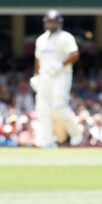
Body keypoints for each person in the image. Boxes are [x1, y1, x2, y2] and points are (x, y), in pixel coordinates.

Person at [31, 9, 84, 148]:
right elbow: (38, 60)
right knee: (42, 109)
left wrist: (61, 64)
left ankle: (77, 132)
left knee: (58, 108)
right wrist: (36, 76)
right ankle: (47, 140)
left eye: (54, 22)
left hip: (61, 75)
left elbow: (74, 54)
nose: (51, 25)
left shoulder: (66, 37)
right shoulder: (41, 39)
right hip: (44, 77)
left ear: (60, 23)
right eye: (49, 22)